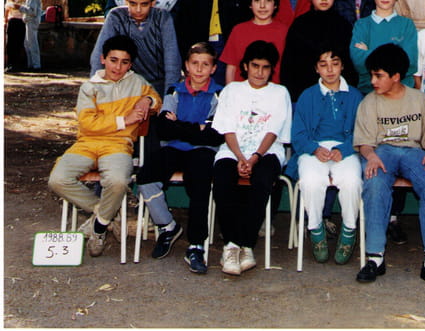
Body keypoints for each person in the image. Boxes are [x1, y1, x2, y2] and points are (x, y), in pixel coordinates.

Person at [49, 35, 162, 257]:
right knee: (57, 179)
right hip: (87, 143)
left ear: (131, 64)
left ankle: (99, 226)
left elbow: (157, 100)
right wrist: (123, 120)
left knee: (118, 181)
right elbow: (87, 124)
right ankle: (107, 213)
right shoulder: (89, 87)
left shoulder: (137, 82)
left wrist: (147, 100)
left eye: (124, 62)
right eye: (113, 60)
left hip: (118, 145)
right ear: (103, 59)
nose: (117, 67)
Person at [354, 43, 425, 289]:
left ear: (396, 76)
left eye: (379, 76)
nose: (373, 81)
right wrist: (370, 156)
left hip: (412, 152)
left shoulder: (418, 99)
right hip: (382, 151)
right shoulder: (369, 102)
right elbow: (364, 143)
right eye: (372, 75)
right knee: (375, 182)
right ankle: (375, 258)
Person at [135, 42, 224, 273]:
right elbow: (164, 130)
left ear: (213, 68)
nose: (199, 69)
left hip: (203, 151)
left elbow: (214, 135)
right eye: (195, 63)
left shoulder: (219, 94)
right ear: (186, 65)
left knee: (200, 182)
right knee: (145, 176)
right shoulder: (174, 90)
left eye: (205, 64)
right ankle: (167, 226)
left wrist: (180, 125)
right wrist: (197, 128)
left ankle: (196, 245)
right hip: (173, 148)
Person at [211, 41, 292, 276]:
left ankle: (246, 245)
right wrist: (240, 157)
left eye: (265, 67)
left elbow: (273, 131)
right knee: (222, 179)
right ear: (245, 66)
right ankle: (231, 246)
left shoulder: (280, 93)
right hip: (232, 150)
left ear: (272, 69)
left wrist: (254, 158)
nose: (259, 72)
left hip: (267, 152)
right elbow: (227, 129)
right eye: (255, 66)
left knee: (262, 181)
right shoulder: (231, 90)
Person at [293, 46, 364, 264]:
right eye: (323, 65)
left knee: (351, 181)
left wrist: (344, 149)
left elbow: (363, 132)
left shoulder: (355, 96)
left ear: (342, 66)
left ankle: (349, 230)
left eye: (335, 64)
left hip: (346, 149)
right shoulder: (307, 96)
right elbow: (298, 134)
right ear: (316, 69)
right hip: (314, 149)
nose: (330, 70)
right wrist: (314, 148)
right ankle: (315, 229)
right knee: (311, 181)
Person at [90, 0, 180, 97]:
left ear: (153, 2)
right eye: (133, 4)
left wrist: (169, 98)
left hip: (157, 87)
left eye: (144, 4)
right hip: (123, 86)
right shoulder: (116, 17)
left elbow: (172, 62)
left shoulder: (163, 18)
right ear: (126, 1)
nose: (138, 10)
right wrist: (96, 90)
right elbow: (98, 56)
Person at [280, 0, 357, 103]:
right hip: (305, 97)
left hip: (339, 98)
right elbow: (288, 69)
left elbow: (350, 68)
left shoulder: (343, 26)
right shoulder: (299, 26)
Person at [350, 0, 418, 93]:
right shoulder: (361, 25)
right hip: (369, 92)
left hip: (401, 92)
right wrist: (395, 57)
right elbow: (358, 62)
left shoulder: (407, 25)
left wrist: (370, 52)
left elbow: (410, 63)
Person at [220, 0, 287, 84]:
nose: (262, 6)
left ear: (275, 5)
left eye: (268, 0)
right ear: (250, 4)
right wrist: (230, 91)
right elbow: (231, 68)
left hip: (273, 90)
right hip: (242, 91)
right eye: (257, 0)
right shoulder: (238, 30)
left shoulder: (284, 31)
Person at [19, 0, 42, 71]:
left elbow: (32, 11)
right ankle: (31, 64)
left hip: (32, 22)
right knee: (27, 44)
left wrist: (20, 7)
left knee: (33, 43)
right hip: (29, 22)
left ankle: (36, 65)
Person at [5, 0, 27, 72]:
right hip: (12, 19)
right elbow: (7, 8)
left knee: (20, 41)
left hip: (22, 20)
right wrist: (6, 19)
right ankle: (10, 63)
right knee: (10, 42)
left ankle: (20, 63)